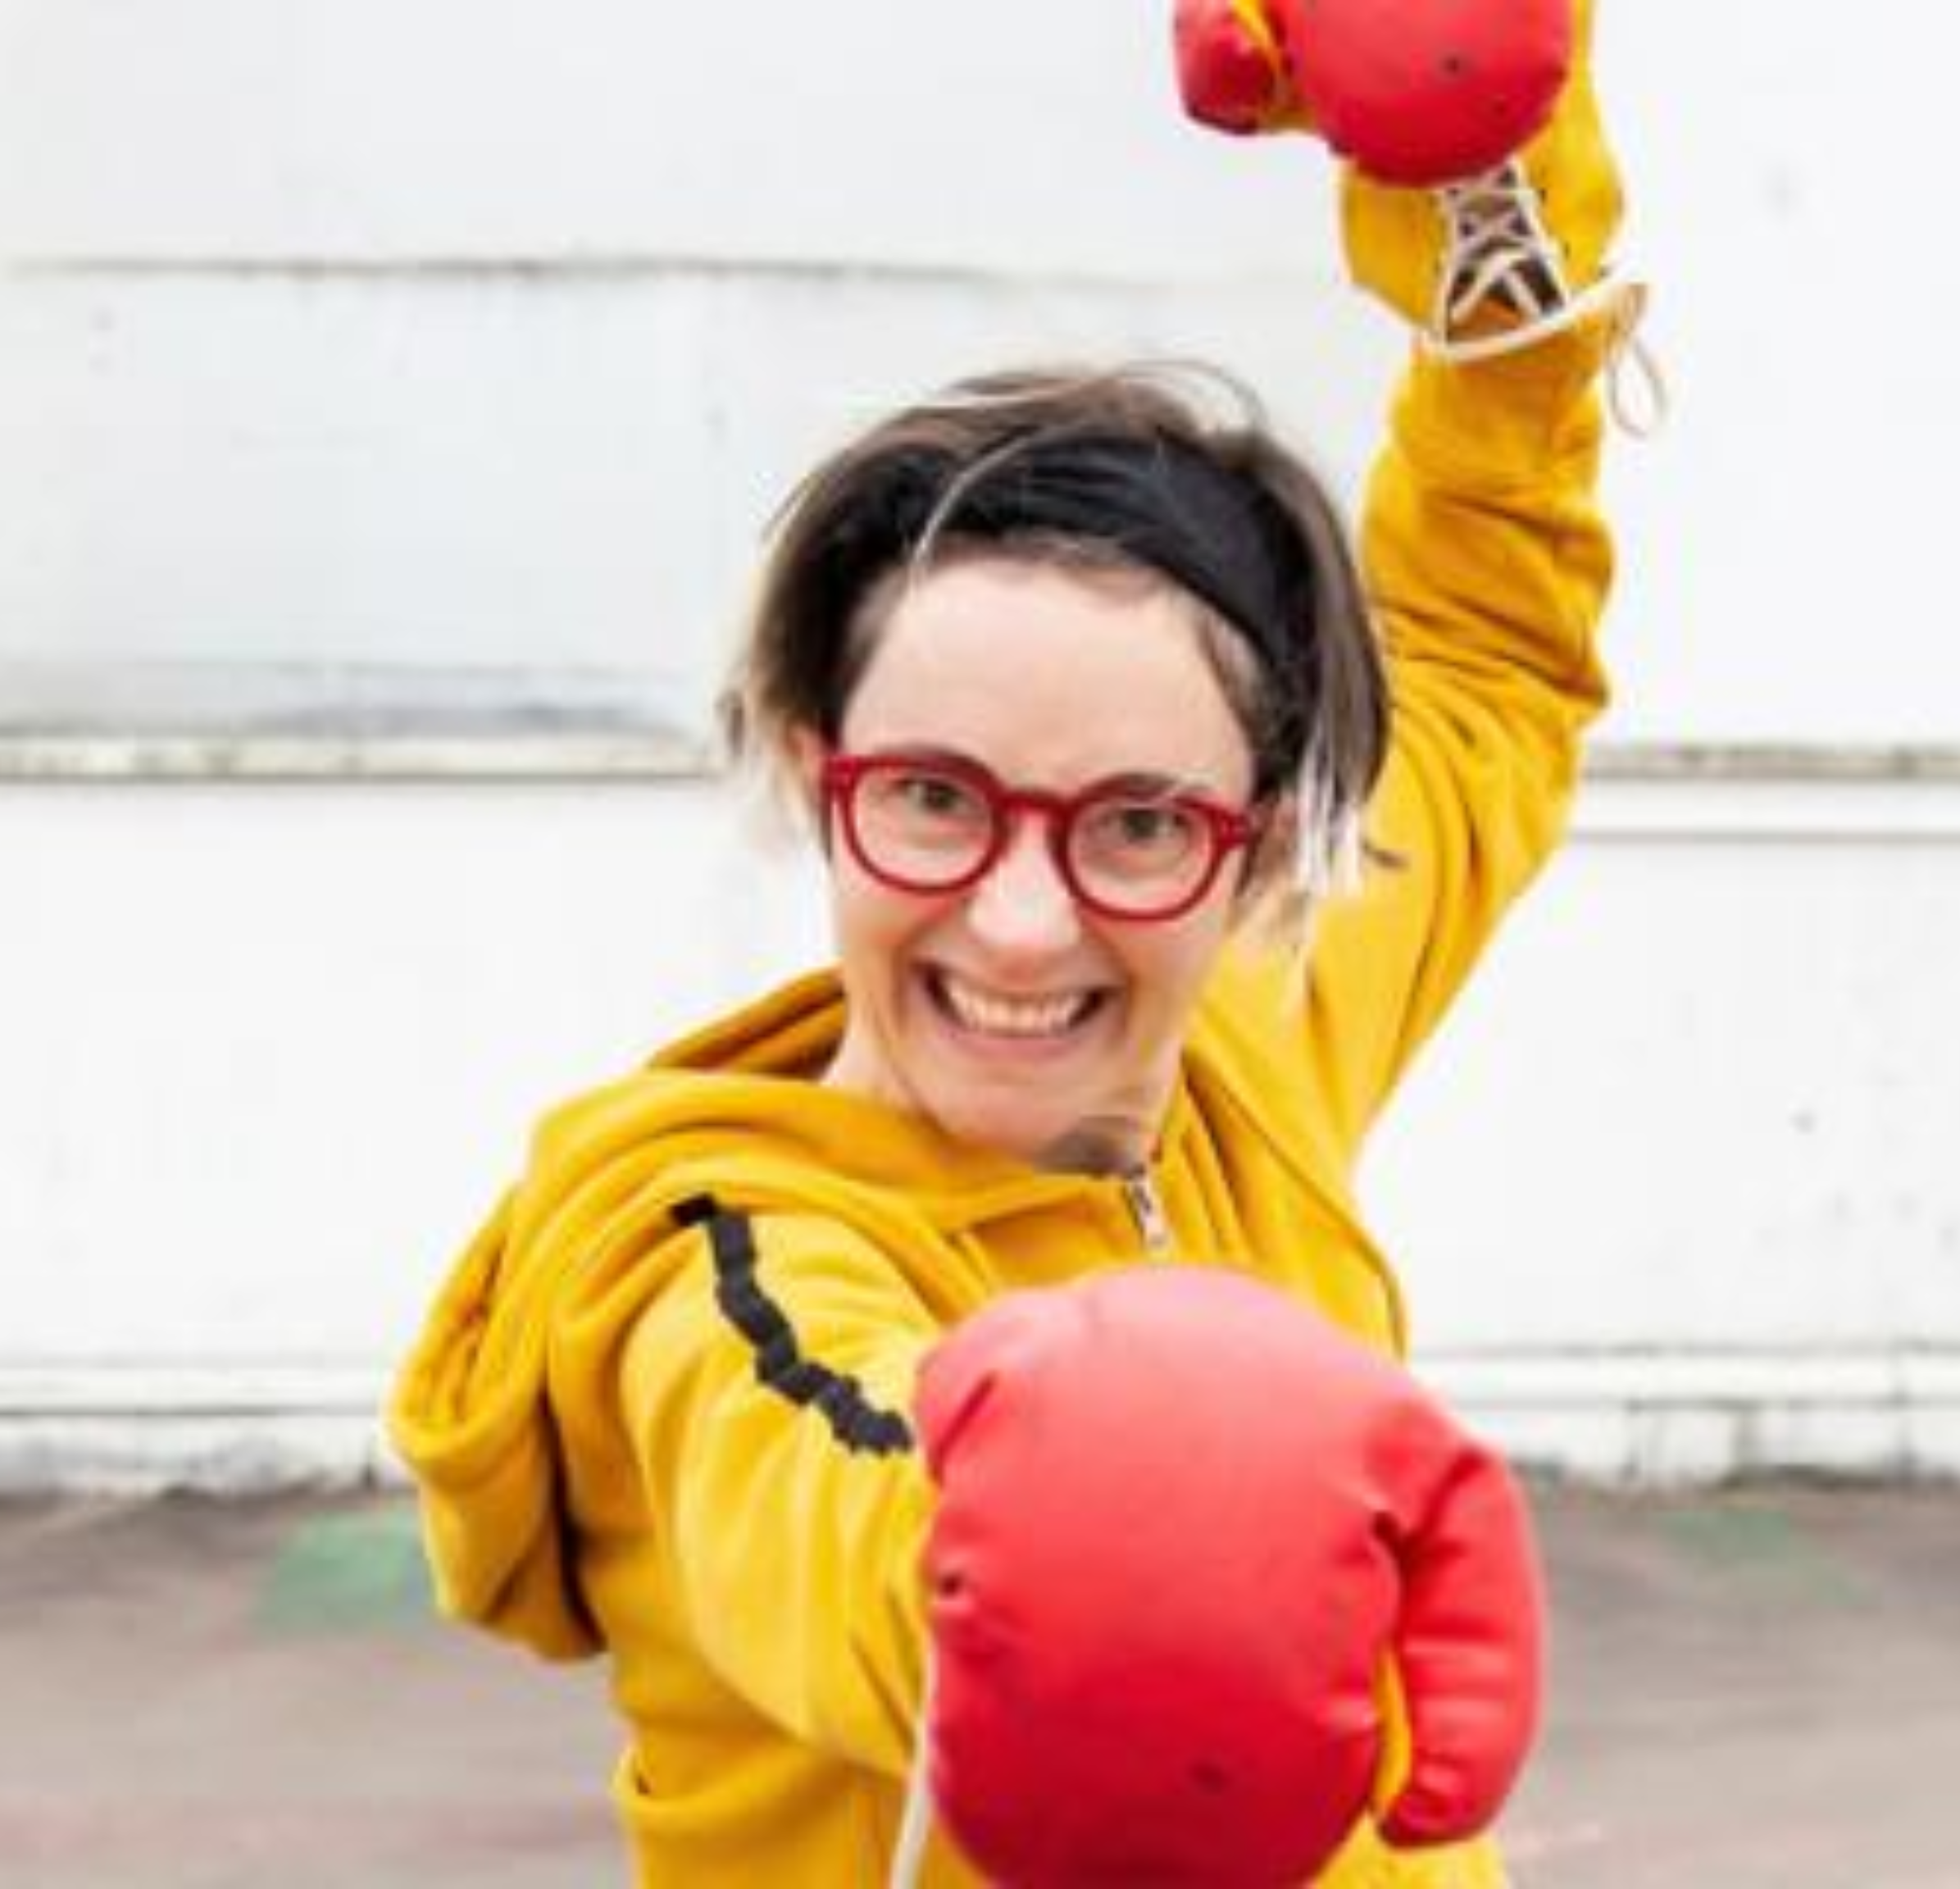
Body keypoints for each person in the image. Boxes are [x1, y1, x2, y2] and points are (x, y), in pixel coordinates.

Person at [389, 7, 1638, 1884]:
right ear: (823, 777)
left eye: (1133, 823)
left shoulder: (1249, 1031)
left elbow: (1476, 652)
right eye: (935, 800)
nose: (1021, 916)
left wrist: (1475, 188)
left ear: (1254, 841)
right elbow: (839, 1531)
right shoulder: (727, 1273)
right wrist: (1147, 1566)